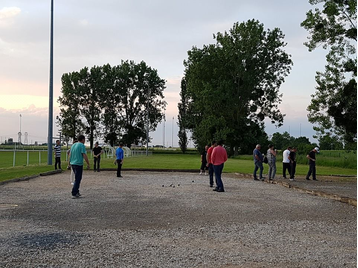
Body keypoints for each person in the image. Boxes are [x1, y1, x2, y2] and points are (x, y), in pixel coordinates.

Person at [69, 135, 90, 199]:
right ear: (83, 139)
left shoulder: (73, 145)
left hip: (73, 163)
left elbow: (70, 154)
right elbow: (84, 155)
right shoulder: (81, 145)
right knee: (78, 179)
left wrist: (69, 163)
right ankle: (74, 192)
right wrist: (88, 163)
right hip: (78, 164)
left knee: (76, 178)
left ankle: (77, 191)